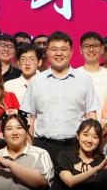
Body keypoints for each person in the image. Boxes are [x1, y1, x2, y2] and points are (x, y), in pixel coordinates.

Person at [23, 32, 100, 163]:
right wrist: (29, 148)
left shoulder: (84, 79)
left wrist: (90, 148)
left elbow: (90, 115)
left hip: (76, 147)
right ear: (47, 52)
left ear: (71, 52)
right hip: (43, 146)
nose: (59, 53)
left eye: (63, 49)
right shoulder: (36, 81)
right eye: (54, 49)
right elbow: (28, 117)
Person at [78, 31, 107, 103]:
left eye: (95, 46)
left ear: (102, 49)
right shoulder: (74, 75)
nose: (91, 49)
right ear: (81, 50)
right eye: (87, 46)